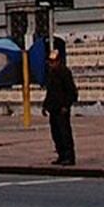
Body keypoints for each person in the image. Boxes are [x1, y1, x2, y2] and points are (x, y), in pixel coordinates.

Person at [41, 38, 77, 166]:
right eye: (50, 62)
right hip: (53, 108)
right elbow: (50, 92)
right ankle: (61, 155)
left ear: (58, 61)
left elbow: (72, 92)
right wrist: (45, 106)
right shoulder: (51, 74)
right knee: (56, 133)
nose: (51, 64)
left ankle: (69, 156)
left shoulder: (64, 72)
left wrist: (66, 106)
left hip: (62, 108)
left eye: (53, 62)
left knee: (64, 133)